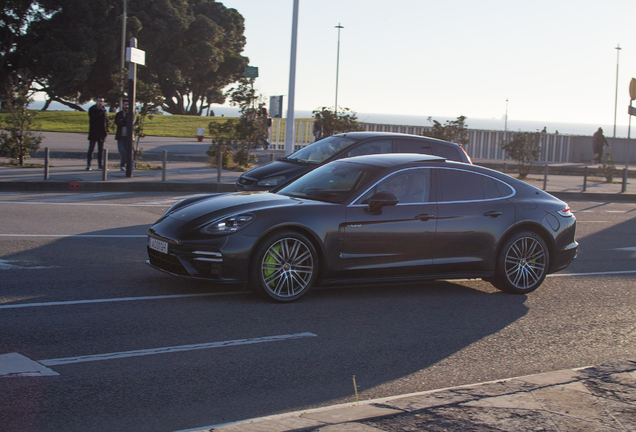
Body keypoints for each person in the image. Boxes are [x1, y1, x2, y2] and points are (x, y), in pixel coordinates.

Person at [87, 97, 108, 170]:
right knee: (91, 149)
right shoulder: (92, 109)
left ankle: (100, 164)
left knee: (101, 150)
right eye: (99, 101)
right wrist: (100, 111)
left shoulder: (104, 110)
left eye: (102, 101)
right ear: (96, 101)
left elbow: (105, 121)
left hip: (101, 133)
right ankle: (88, 165)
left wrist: (106, 131)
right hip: (93, 132)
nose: (101, 103)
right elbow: (93, 118)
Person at [114, 100, 130, 171]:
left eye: (127, 105)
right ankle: (124, 164)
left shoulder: (131, 114)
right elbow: (117, 122)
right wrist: (124, 121)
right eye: (125, 104)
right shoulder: (119, 114)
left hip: (128, 136)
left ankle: (123, 165)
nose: (126, 106)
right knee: (122, 151)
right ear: (122, 105)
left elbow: (130, 123)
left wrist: (123, 121)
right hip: (120, 136)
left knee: (127, 151)